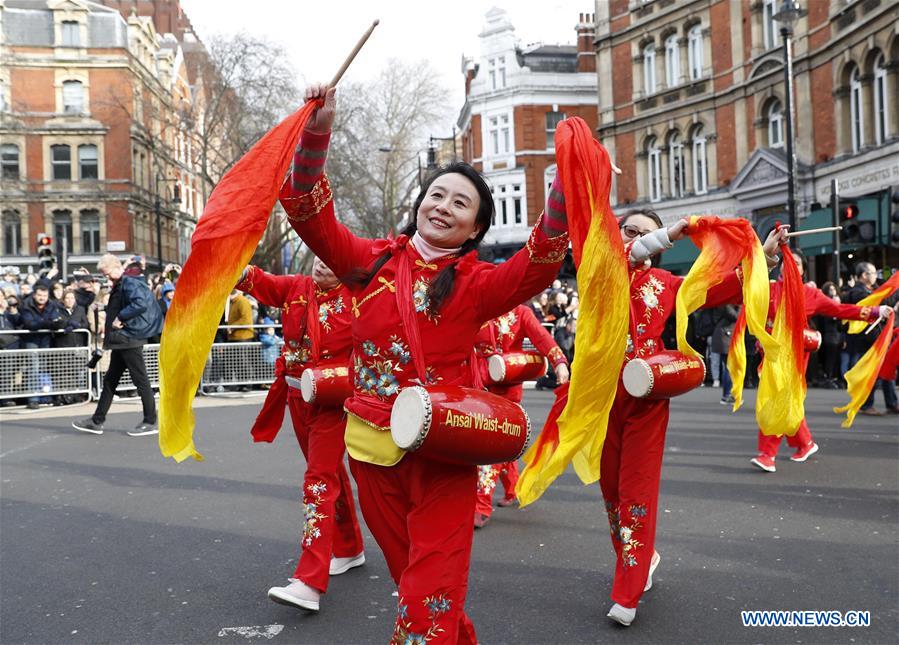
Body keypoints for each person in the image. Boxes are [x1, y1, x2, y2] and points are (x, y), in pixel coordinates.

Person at [278, 83, 570, 643]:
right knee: (418, 585)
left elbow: (537, 265)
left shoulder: (479, 284)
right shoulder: (368, 262)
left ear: (476, 228)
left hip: (445, 452)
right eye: (437, 195)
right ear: (420, 204)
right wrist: (318, 130)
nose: (443, 207)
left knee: (426, 596)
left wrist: (564, 180)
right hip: (371, 451)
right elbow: (307, 212)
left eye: (461, 203)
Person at [597, 209, 788, 627]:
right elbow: (624, 255)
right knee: (610, 492)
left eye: (644, 233)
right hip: (598, 398)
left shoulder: (668, 286)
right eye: (630, 230)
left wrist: (766, 258)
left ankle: (626, 592)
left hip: (646, 395)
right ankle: (642, 555)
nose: (636, 239)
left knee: (636, 493)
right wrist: (665, 233)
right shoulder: (599, 269)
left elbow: (726, 287)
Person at [236, 257, 365, 612]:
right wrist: (223, 254)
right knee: (328, 474)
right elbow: (256, 281)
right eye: (319, 257)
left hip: (334, 401)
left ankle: (310, 579)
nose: (324, 265)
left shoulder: (360, 296)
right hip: (297, 397)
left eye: (332, 259)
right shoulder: (295, 287)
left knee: (318, 480)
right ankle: (350, 547)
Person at [749, 251, 888, 473]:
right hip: (771, 355)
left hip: (794, 358)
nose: (791, 266)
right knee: (788, 401)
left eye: (796, 263)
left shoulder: (811, 294)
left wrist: (874, 311)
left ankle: (768, 454)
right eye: (787, 262)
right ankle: (805, 443)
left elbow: (841, 310)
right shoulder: (770, 289)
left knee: (777, 399)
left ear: (804, 269)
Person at [473, 304, 569, 527]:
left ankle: (481, 505)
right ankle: (513, 488)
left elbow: (542, 337)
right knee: (503, 441)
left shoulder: (521, 313)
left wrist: (560, 362)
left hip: (508, 388)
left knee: (492, 445)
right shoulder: (480, 304)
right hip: (478, 383)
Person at [72, 254, 163, 436]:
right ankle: (97, 421)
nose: (106, 278)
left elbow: (140, 304)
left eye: (107, 273)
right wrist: (106, 310)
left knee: (139, 380)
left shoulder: (129, 282)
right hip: (124, 339)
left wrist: (121, 317)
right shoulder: (125, 283)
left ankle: (151, 421)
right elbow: (129, 304)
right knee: (111, 381)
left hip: (129, 338)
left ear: (116, 267)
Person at [844, 263, 897, 415]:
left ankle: (892, 402)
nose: (875, 276)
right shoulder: (857, 292)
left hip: (879, 337)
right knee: (870, 370)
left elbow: (886, 302)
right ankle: (866, 404)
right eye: (873, 273)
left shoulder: (872, 291)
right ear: (864, 275)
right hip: (866, 338)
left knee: (887, 368)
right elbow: (876, 303)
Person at [19, 284, 65, 409]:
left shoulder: (52, 305)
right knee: (33, 367)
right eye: (39, 295)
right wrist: (47, 323)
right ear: (34, 295)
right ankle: (33, 398)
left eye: (44, 295)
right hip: (31, 339)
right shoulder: (26, 305)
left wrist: (54, 324)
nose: (42, 298)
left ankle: (46, 396)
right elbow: (29, 323)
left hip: (46, 339)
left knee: (45, 367)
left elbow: (55, 319)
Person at [711, 305, 738, 404]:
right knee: (729, 367)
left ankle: (728, 394)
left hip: (725, 337)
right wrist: (740, 306)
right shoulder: (726, 304)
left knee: (729, 367)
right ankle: (727, 395)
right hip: (725, 338)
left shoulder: (725, 304)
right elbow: (735, 316)